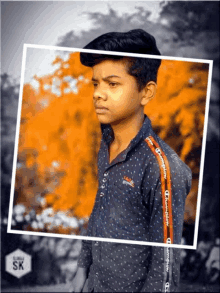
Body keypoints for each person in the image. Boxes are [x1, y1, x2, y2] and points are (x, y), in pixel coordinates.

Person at [70, 29, 192, 292]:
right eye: (95, 83)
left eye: (112, 84)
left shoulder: (162, 167)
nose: (98, 94)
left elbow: (166, 268)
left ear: (146, 93)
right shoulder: (106, 145)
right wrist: (83, 268)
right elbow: (99, 210)